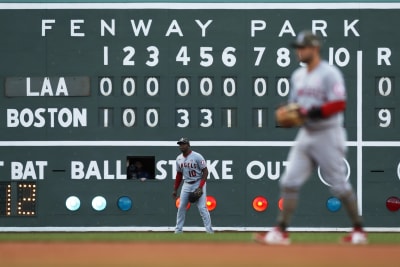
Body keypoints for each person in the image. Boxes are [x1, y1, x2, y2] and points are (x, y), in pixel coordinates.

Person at [254, 30, 367, 245]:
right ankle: (281, 231)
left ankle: (359, 230)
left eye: (302, 47)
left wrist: (310, 113)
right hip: (307, 134)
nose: (299, 52)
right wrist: (286, 113)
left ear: (315, 48)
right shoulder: (298, 76)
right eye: (297, 48)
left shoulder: (329, 73)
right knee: (288, 182)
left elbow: (339, 103)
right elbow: (296, 108)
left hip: (328, 133)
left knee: (340, 185)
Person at [172, 137, 213, 234]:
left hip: (198, 182)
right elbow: (179, 175)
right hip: (186, 184)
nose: (181, 146)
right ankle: (178, 230)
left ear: (188, 145)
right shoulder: (179, 158)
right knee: (181, 207)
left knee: (202, 208)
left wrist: (200, 187)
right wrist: (175, 189)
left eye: (183, 144)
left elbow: (205, 171)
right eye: (180, 144)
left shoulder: (197, 156)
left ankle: (209, 231)